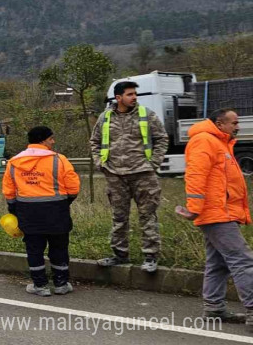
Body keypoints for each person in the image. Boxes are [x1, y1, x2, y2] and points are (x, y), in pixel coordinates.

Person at [179, 109, 253, 331]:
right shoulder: (205, 141)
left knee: (218, 261)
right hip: (216, 212)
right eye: (234, 122)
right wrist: (194, 208)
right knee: (242, 259)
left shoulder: (219, 142)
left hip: (220, 211)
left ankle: (213, 308)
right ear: (220, 123)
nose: (237, 126)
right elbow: (196, 175)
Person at [90, 81, 169, 273]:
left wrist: (153, 164)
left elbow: (162, 138)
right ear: (118, 98)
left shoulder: (146, 115)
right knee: (119, 217)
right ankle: (120, 255)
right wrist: (100, 163)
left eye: (135, 94)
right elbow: (95, 141)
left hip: (143, 174)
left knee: (147, 215)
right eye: (130, 94)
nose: (134, 97)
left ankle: (150, 256)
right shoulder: (105, 117)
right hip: (115, 175)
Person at [3, 127, 80, 296]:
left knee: (34, 249)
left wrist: (13, 207)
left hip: (28, 211)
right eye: (51, 139)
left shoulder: (14, 162)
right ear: (42, 140)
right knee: (59, 247)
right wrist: (67, 201)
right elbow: (73, 186)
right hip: (56, 210)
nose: (53, 141)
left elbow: (8, 190)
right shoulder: (59, 160)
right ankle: (61, 284)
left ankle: (40, 285)